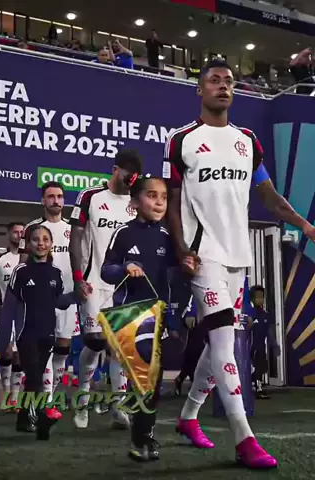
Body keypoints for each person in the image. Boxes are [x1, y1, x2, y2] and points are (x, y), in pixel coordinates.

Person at [165, 58, 315, 469]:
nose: (222, 86)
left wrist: (305, 224)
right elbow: (174, 202)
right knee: (224, 342)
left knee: (219, 343)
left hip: (238, 255)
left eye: (229, 81)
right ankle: (244, 438)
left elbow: (269, 197)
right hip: (204, 255)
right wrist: (182, 249)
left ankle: (188, 416)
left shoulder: (247, 141)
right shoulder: (182, 140)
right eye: (214, 80)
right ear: (200, 89)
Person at [101, 174, 179, 461]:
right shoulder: (123, 233)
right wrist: (125, 267)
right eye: (151, 196)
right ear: (134, 202)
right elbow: (106, 271)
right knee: (143, 379)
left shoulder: (169, 236)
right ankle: (141, 438)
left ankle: (143, 435)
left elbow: (176, 276)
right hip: (131, 316)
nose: (159, 202)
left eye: (163, 197)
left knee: (153, 383)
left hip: (158, 318)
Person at [69, 149, 143, 430]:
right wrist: (78, 277)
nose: (129, 181)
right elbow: (76, 237)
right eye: (127, 175)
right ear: (115, 170)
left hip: (123, 286)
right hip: (93, 283)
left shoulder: (135, 203)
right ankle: (83, 397)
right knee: (96, 342)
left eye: (134, 178)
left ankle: (118, 408)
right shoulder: (91, 197)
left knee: (119, 348)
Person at [0, 224, 90, 440]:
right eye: (35, 239)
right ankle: (42, 419)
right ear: (28, 244)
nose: (41, 243)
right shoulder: (20, 271)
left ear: (51, 244)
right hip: (26, 334)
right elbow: (9, 307)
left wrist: (76, 296)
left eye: (45, 239)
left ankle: (23, 419)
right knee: (34, 377)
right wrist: (4, 341)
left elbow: (59, 302)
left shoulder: (56, 273)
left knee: (34, 378)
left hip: (48, 334)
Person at [19, 181, 79, 419]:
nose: (56, 200)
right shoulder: (34, 228)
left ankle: (48, 397)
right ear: (43, 200)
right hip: (40, 299)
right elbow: (23, 263)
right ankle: (42, 402)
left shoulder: (73, 228)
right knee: (44, 351)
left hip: (65, 297)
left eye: (60, 196)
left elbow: (80, 257)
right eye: (51, 196)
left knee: (62, 349)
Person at [0, 222, 25, 409]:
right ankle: (6, 393)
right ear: (9, 234)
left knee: (19, 355)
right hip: (3, 312)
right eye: (15, 232)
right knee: (6, 352)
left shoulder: (30, 257)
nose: (19, 235)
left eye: (22, 232)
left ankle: (15, 397)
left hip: (24, 312)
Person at [249, 286, 280, 400]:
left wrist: (274, 345)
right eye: (257, 297)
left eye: (262, 297)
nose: (260, 299)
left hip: (261, 346)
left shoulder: (265, 314)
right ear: (252, 299)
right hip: (251, 347)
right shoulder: (249, 314)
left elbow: (269, 331)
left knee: (261, 367)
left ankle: (258, 387)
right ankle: (255, 388)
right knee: (254, 367)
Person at [174, 297, 205, 396]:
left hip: (212, 315)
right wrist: (191, 312)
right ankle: (193, 381)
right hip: (197, 318)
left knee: (200, 352)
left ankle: (183, 378)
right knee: (196, 351)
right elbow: (196, 293)